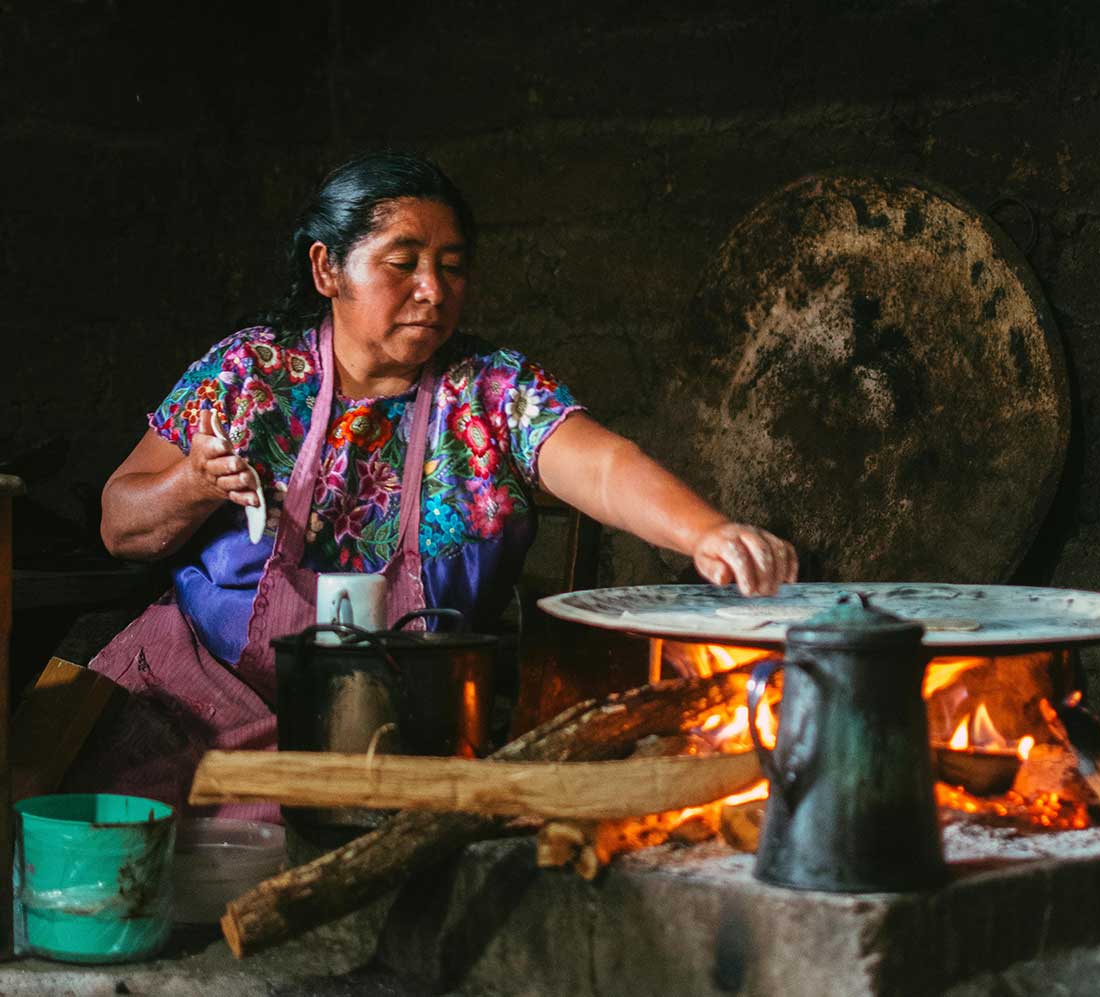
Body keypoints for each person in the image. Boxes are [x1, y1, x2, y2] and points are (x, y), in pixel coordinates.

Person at [69, 152, 798, 818]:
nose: (433, 289)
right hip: (196, 700)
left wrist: (707, 532)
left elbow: (603, 465)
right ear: (327, 269)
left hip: (395, 735)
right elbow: (118, 522)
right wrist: (192, 483)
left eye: (452, 266)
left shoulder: (488, 392)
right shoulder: (251, 374)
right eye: (404, 261)